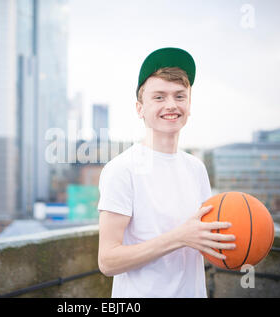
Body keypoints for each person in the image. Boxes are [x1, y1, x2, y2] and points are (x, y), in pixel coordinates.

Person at [97, 47, 236, 298]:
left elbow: (204, 238)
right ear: (140, 109)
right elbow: (107, 261)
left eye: (180, 96)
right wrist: (179, 237)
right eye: (159, 97)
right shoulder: (121, 170)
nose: (171, 105)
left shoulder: (196, 168)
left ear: (189, 104)